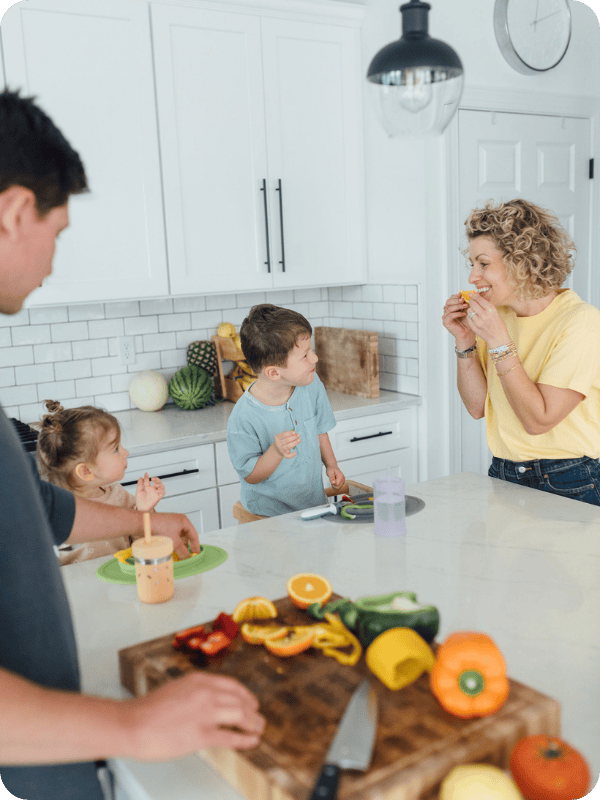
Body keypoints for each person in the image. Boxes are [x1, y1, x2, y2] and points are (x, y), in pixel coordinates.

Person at [0, 88, 264, 800]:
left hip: (61, 751)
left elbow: (42, 514)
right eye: (57, 229)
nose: (55, 259)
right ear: (15, 212)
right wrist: (136, 728)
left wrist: (147, 522)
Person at [442, 198, 600, 505]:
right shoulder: (498, 317)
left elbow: (538, 421)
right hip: (503, 472)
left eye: (483, 263)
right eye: (472, 264)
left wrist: (501, 343)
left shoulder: (581, 323)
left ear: (521, 261)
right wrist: (465, 341)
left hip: (569, 478)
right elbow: (477, 407)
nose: (473, 277)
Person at [227, 304, 345, 516]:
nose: (315, 358)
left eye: (311, 350)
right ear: (273, 373)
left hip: (314, 506)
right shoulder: (243, 417)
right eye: (305, 356)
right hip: (268, 518)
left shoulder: (311, 384)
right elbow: (251, 475)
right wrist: (276, 451)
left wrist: (331, 465)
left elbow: (319, 429)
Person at [36, 400, 166, 565]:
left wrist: (144, 510)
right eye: (116, 449)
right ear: (86, 471)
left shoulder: (116, 494)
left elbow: (140, 545)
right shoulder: (57, 513)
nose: (126, 452)